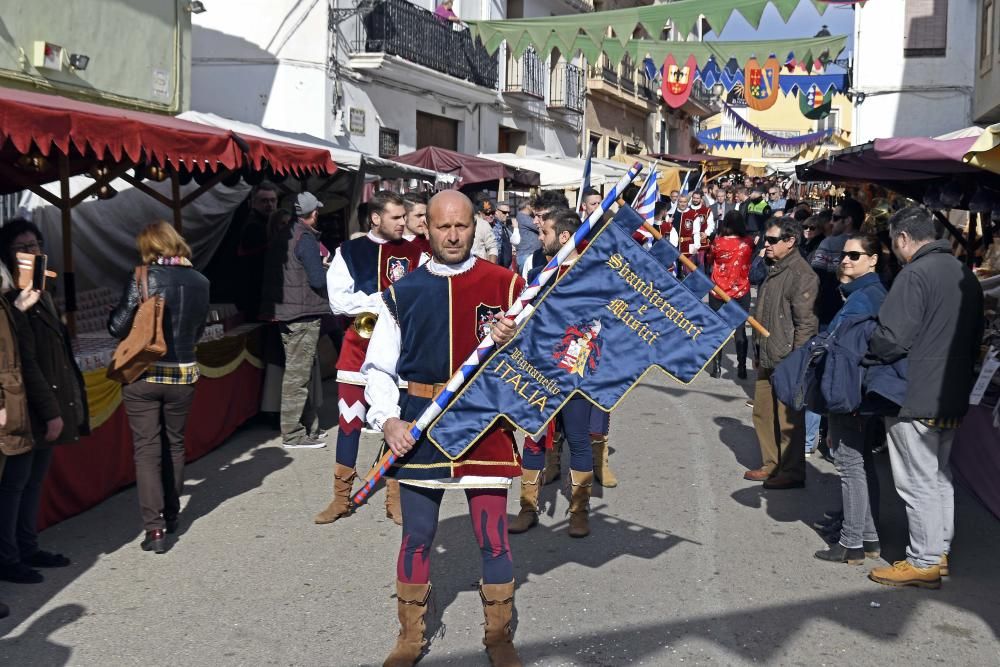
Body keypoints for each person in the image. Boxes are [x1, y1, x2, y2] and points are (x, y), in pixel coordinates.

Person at [363, 190, 525, 666]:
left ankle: (499, 636)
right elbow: (377, 367)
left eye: (461, 226)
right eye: (443, 227)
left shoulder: (508, 285)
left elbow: (540, 365)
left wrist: (515, 341)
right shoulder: (399, 293)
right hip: (420, 421)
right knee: (416, 535)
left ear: (475, 226)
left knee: (493, 537)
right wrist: (388, 419)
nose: (453, 236)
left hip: (483, 421)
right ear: (425, 230)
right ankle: (410, 636)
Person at [865, 207, 984, 589]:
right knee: (937, 477)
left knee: (917, 480)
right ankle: (938, 551)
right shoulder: (963, 273)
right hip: (951, 390)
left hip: (915, 390)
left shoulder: (915, 273)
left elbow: (892, 338)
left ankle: (924, 560)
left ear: (902, 239)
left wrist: (870, 345)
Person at [315, 191, 424, 527]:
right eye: (396, 218)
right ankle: (340, 497)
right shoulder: (348, 251)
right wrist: (384, 301)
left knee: (398, 429)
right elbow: (338, 302)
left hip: (399, 355)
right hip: (356, 352)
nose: (403, 223)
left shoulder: (417, 251)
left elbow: (421, 295)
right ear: (376, 218)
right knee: (349, 425)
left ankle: (395, 499)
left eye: (404, 217)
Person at [108, 222, 209, 554]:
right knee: (175, 446)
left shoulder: (143, 277)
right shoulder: (201, 281)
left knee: (147, 450)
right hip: (183, 374)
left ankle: (155, 529)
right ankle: (173, 513)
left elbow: (117, 326)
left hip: (144, 375)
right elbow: (197, 330)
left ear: (149, 247)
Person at [0, 221, 88, 582]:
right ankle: (8, 557)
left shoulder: (42, 292)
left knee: (32, 481)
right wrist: (52, 411)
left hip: (46, 398)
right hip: (26, 405)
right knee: (15, 485)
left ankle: (27, 546)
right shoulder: (10, 302)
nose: (33, 253)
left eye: (36, 245)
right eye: (23, 247)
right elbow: (24, 361)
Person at [509, 208, 602, 538]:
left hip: (577, 372)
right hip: (541, 370)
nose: (540, 237)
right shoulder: (539, 269)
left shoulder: (593, 272)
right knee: (533, 439)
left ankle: (579, 511)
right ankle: (527, 508)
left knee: (578, 439)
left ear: (564, 237)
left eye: (545, 232)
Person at [813, 235, 886, 566]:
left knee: (850, 465)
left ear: (872, 259)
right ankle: (868, 538)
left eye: (854, 255)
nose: (846, 260)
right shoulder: (869, 293)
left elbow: (837, 351)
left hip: (850, 391)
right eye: (844, 255)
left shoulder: (863, 299)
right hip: (862, 391)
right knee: (860, 462)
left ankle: (851, 543)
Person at [746, 217, 818, 489]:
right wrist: (757, 348)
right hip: (768, 353)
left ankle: (792, 470)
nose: (767, 244)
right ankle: (771, 464)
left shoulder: (802, 274)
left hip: (787, 358)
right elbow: (763, 312)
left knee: (788, 419)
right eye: (766, 239)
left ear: (790, 241)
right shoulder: (773, 268)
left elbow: (806, 323)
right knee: (763, 413)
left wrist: (798, 361)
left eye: (773, 240)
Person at [260, 192, 330, 449]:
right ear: (312, 213)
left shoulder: (286, 234)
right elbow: (317, 280)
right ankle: (293, 434)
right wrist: (326, 267)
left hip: (288, 313)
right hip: (303, 314)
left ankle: (308, 427)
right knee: (298, 376)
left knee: (299, 373)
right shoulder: (306, 238)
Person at [706, 211, 753, 379]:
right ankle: (741, 367)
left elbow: (710, 259)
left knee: (718, 329)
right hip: (741, 290)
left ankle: (716, 368)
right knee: (740, 330)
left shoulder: (717, 243)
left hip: (718, 290)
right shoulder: (748, 243)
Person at [520, 190, 570, 279]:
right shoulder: (532, 261)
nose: (534, 221)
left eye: (539, 216)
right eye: (534, 216)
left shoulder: (583, 254)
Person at [402, 192, 431, 257]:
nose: (424, 219)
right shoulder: (390, 244)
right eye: (419, 215)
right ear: (404, 216)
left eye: (426, 215)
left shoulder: (431, 243)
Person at [513, 200, 540, 271]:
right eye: (533, 206)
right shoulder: (522, 217)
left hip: (529, 254)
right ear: (528, 206)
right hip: (526, 254)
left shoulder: (526, 217)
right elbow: (538, 226)